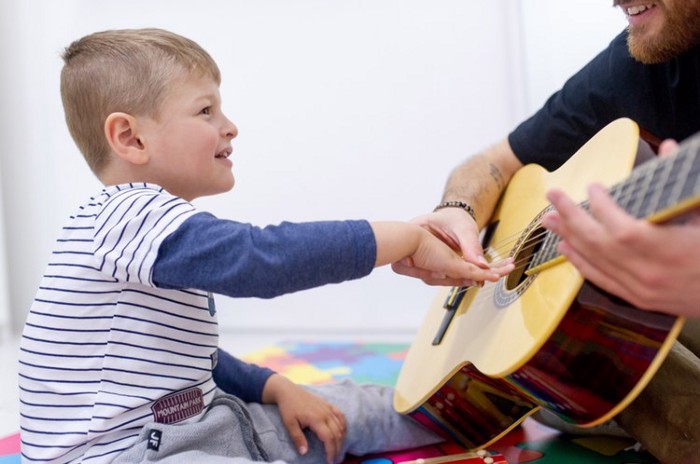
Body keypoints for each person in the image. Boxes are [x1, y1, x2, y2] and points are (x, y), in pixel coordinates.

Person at [18, 28, 514, 464]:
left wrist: (278, 387)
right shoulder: (124, 216)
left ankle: (490, 409)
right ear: (130, 137)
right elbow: (261, 261)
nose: (229, 126)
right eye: (205, 110)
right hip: (120, 455)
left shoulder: (156, 230)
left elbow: (196, 362)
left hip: (212, 426)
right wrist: (402, 238)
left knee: (348, 410)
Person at [403, 1, 700, 462]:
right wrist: (456, 210)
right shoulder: (638, 58)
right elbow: (491, 164)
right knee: (560, 359)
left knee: (573, 363)